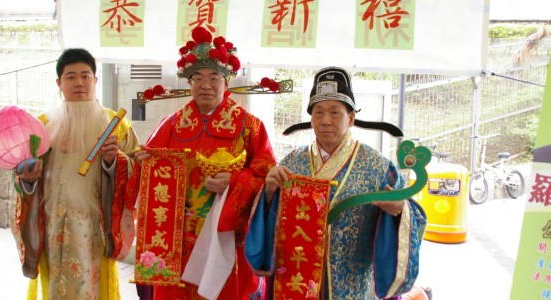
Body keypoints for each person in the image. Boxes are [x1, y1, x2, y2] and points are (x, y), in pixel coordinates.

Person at [244, 67, 427, 299]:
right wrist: (269, 193)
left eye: (335, 112)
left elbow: (414, 214)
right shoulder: (292, 162)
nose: (326, 121)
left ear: (351, 118)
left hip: (354, 284)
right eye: (318, 113)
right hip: (296, 279)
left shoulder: (377, 166)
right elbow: (270, 221)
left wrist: (400, 210)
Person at [133, 26, 277, 299]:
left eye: (214, 77)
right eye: (197, 77)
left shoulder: (250, 127)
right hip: (176, 242)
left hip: (224, 241)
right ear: (189, 83)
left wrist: (235, 182)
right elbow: (143, 175)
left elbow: (269, 179)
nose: (205, 85)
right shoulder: (172, 124)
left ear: (227, 82)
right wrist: (140, 164)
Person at [11, 48, 140, 299]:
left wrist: (114, 163)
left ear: (95, 79)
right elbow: (20, 174)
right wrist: (27, 180)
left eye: (85, 76)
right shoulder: (42, 126)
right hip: (52, 224)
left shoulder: (116, 124)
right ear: (59, 83)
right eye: (71, 77)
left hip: (95, 227)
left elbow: (139, 169)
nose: (79, 83)